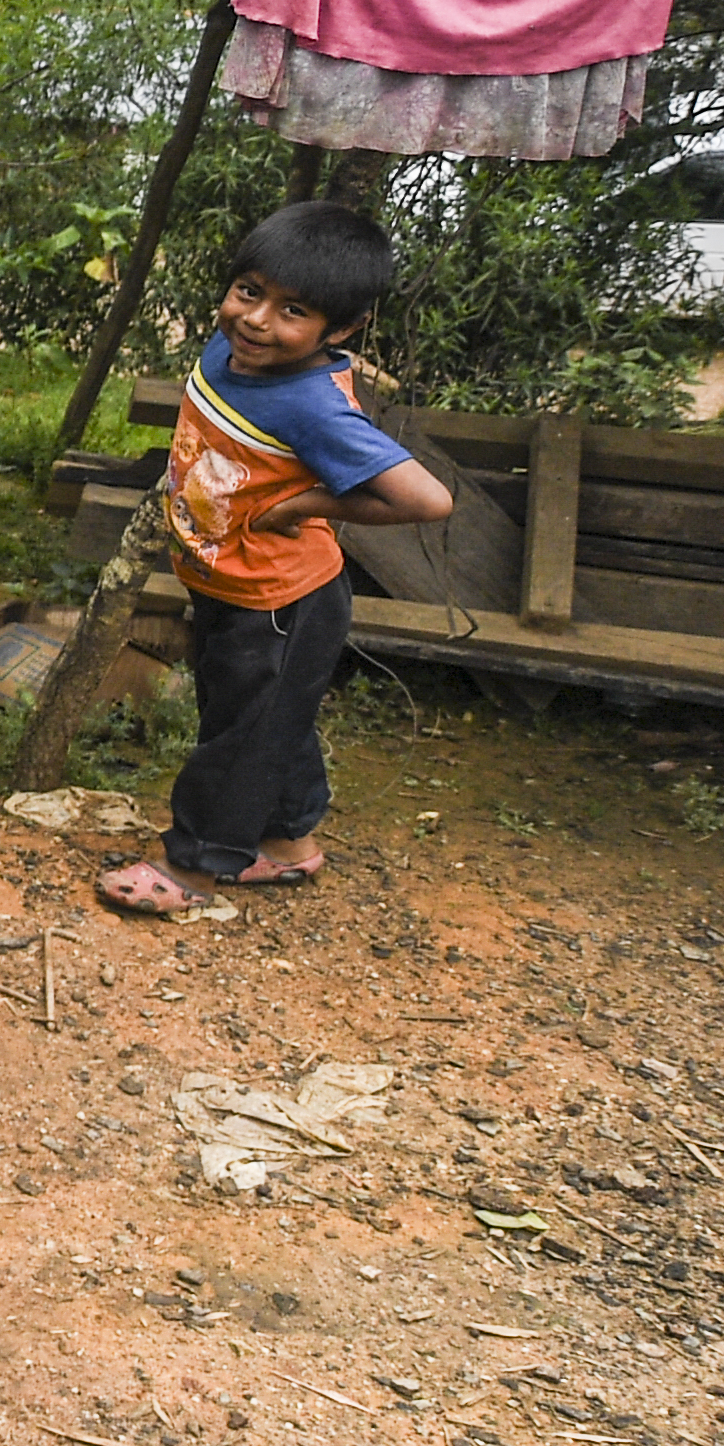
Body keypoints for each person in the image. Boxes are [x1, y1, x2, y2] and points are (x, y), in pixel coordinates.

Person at [91, 199, 454, 919]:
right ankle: (286, 844)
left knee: (242, 733)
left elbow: (429, 499)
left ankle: (195, 865)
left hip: (281, 602)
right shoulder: (231, 354)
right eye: (250, 292)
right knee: (262, 717)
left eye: (293, 312)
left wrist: (305, 506)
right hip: (228, 583)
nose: (257, 320)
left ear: (341, 330)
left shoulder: (312, 406)